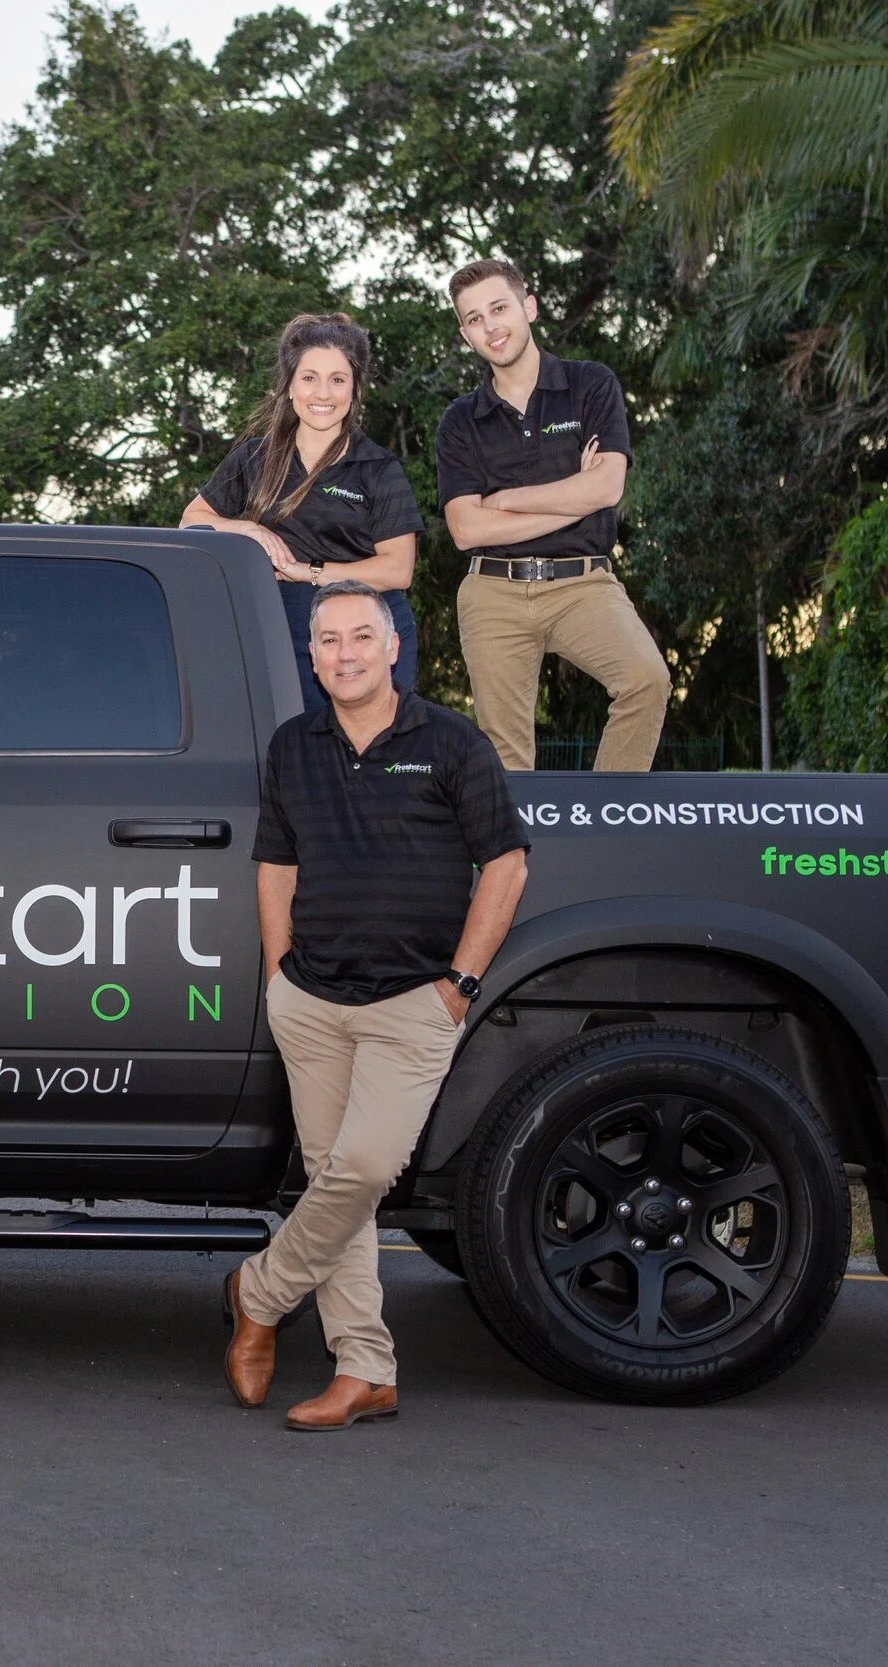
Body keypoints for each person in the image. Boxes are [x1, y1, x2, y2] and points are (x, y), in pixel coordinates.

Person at [223, 578, 529, 1430]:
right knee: (335, 1185)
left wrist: (459, 984)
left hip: (414, 1004)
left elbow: (505, 863)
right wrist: (279, 973)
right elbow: (275, 865)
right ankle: (365, 1367)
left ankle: (257, 1291)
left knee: (362, 1171)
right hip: (311, 1001)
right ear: (311, 654)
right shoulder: (294, 747)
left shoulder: (453, 743)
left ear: (394, 645)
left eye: (362, 636)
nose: (345, 653)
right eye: (328, 640)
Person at [435, 258, 672, 773]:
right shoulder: (459, 421)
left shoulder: (591, 385)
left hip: (583, 585)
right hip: (493, 591)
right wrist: (573, 497)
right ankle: (515, 855)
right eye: (474, 319)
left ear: (529, 307)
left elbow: (607, 487)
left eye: (499, 308)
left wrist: (503, 499)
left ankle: (606, 824)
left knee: (646, 681)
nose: (491, 326)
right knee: (505, 758)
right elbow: (466, 530)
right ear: (465, 334)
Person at [182, 312, 426, 707]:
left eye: (338, 380)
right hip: (279, 632)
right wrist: (246, 529)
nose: (323, 394)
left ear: (354, 390)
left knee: (371, 755)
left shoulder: (379, 469)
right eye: (310, 378)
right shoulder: (255, 457)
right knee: (296, 753)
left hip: (362, 635)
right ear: (290, 387)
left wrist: (308, 573)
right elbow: (192, 521)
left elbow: (397, 569)